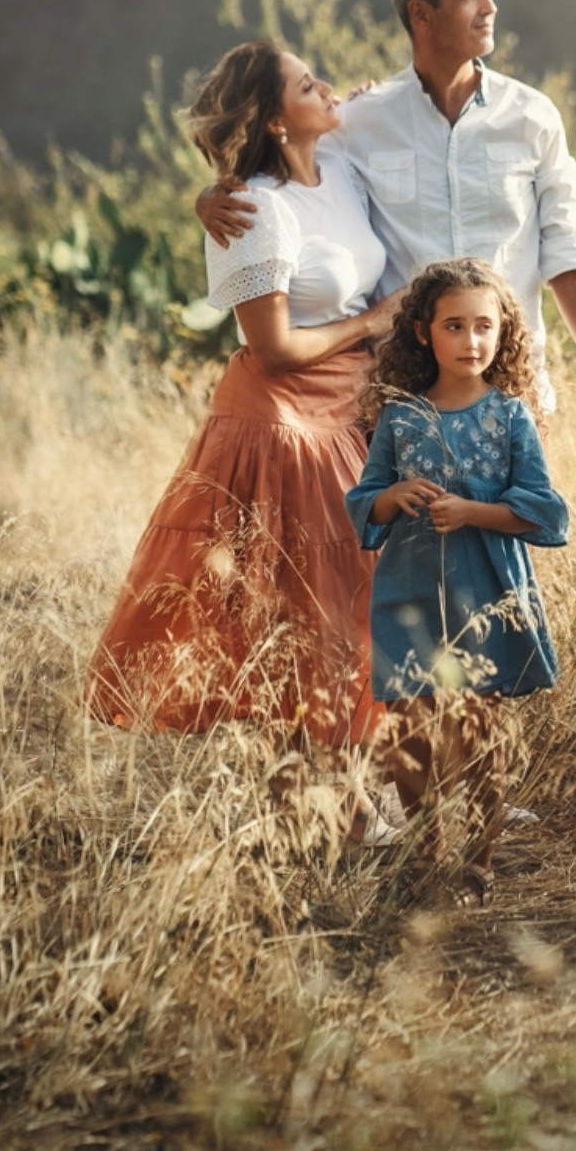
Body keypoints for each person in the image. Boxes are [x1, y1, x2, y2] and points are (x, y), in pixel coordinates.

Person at [86, 42, 400, 804]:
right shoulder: (252, 208)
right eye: (304, 82)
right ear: (271, 117)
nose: (323, 84)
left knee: (362, 600)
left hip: (347, 410)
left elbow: (399, 97)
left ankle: (355, 791)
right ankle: (323, 805)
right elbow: (276, 347)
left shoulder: (344, 168)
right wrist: (376, 322)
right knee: (307, 612)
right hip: (283, 419)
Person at [198, 0, 576, 468]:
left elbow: (567, 250)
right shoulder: (357, 122)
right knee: (401, 550)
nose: (491, 8)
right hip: (400, 396)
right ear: (421, 13)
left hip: (511, 386)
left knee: (505, 542)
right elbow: (274, 158)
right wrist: (212, 195)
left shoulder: (533, 117)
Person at [344, 258, 568, 906]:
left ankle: (478, 862)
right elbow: (364, 503)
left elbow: (545, 510)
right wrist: (395, 496)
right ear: (423, 333)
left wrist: (474, 512)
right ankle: (424, 853)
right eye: (454, 326)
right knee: (411, 733)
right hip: (408, 592)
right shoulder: (401, 418)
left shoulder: (509, 417)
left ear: (503, 334)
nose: (471, 341)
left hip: (486, 596)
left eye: (484, 327)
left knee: (478, 737)